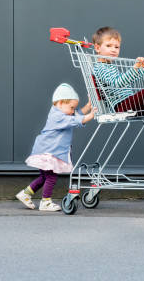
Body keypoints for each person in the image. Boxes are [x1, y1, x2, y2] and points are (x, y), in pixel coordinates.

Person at [16, 83, 95, 211]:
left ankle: (25, 194)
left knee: (44, 177)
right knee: (51, 177)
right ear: (59, 104)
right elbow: (74, 120)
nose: (73, 111)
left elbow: (76, 115)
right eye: (71, 107)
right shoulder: (57, 116)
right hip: (48, 152)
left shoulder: (63, 113)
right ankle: (45, 202)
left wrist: (87, 107)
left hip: (45, 151)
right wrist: (90, 116)